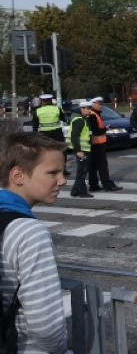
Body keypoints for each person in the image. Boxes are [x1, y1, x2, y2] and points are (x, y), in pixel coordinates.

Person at [0, 125, 69, 353]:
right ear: (17, 175)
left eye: (63, 172)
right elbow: (46, 327)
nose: (62, 181)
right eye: (52, 173)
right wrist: (60, 348)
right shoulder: (28, 232)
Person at [87, 97, 121, 191]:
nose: (101, 106)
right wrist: (105, 129)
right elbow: (96, 131)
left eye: (101, 104)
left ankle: (93, 185)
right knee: (102, 166)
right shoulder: (93, 115)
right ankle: (107, 185)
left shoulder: (93, 114)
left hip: (94, 144)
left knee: (93, 166)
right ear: (93, 104)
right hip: (97, 143)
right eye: (99, 104)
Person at [31, 94, 68, 175]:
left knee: (45, 152)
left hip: (44, 134)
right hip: (57, 133)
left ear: (42, 101)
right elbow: (64, 118)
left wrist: (35, 136)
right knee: (62, 151)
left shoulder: (38, 111)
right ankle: (63, 169)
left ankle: (47, 169)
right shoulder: (57, 109)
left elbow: (35, 126)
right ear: (51, 100)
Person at [66, 102, 95, 198]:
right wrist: (78, 151)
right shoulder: (79, 120)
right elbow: (75, 136)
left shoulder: (84, 119)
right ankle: (83, 192)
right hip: (82, 150)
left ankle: (75, 191)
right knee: (82, 172)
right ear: (81, 109)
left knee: (81, 171)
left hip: (85, 148)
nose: (89, 110)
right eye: (87, 108)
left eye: (90, 108)